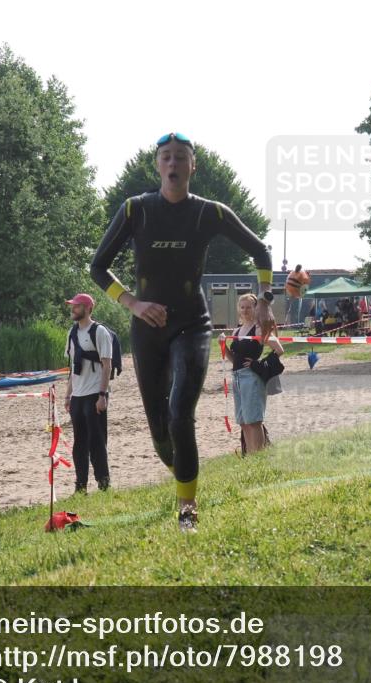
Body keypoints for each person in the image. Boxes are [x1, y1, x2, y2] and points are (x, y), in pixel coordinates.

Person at [90, 132, 274, 532]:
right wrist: (134, 304)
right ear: (157, 166)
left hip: (192, 324)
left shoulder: (211, 213)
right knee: (160, 429)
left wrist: (264, 299)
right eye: (166, 157)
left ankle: (187, 510)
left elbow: (260, 250)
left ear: (193, 166)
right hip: (147, 328)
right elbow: (98, 267)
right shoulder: (135, 209)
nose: (173, 164)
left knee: (180, 415)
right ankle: (179, 466)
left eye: (180, 157)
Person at [221, 293, 284, 455]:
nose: (245, 310)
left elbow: (279, 349)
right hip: (237, 378)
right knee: (243, 422)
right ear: (238, 309)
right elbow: (233, 359)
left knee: (254, 421)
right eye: (242, 307)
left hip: (252, 378)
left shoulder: (258, 329)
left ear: (256, 308)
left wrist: (259, 364)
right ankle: (250, 456)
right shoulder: (237, 330)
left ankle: (259, 457)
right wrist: (223, 346)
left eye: (249, 307)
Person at [64, 293, 113, 494]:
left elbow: (107, 365)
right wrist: (68, 396)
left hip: (95, 394)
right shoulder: (72, 333)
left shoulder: (100, 332)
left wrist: (102, 395)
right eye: (72, 306)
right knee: (79, 444)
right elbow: (73, 368)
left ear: (87, 308)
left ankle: (103, 483)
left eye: (76, 306)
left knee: (97, 442)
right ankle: (80, 486)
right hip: (77, 397)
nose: (72, 309)